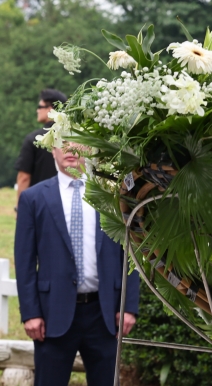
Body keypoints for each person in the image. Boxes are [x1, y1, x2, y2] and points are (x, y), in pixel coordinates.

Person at [15, 143, 140, 386]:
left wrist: (129, 306)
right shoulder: (33, 198)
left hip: (103, 314)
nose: (71, 149)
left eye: (77, 143)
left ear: (89, 148)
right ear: (53, 150)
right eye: (63, 144)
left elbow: (130, 254)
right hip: (52, 315)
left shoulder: (111, 196)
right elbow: (25, 261)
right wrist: (30, 313)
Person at [15, 89, 67, 207]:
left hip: (39, 202)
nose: (37, 110)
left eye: (40, 106)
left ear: (50, 109)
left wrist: (20, 207)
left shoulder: (33, 139)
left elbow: (24, 177)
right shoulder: (75, 138)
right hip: (67, 201)